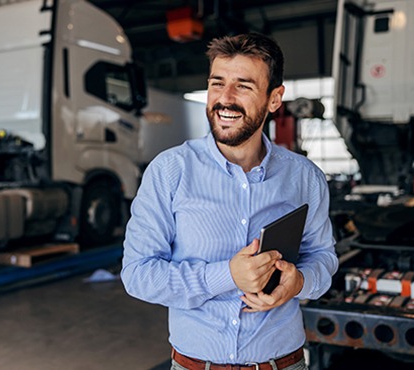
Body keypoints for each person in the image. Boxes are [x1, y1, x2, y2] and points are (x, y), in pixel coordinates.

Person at [121, 32, 338, 370]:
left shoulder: (304, 177)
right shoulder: (170, 172)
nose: (225, 99)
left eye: (244, 86)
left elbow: (324, 257)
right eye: (217, 83)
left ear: (275, 98)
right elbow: (137, 274)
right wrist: (227, 276)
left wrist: (300, 282)